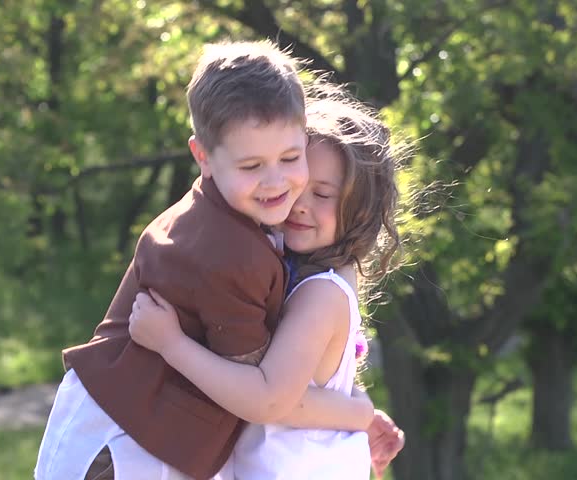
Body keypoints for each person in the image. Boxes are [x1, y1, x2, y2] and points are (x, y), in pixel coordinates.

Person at [34, 40, 388, 480]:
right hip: (126, 443)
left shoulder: (245, 221)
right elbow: (270, 396)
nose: (279, 185)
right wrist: (360, 412)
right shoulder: (235, 252)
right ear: (203, 157)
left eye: (291, 159)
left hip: (134, 431)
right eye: (252, 165)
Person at [129, 88, 407, 479]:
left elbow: (274, 400)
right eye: (297, 183)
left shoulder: (321, 294)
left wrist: (170, 343)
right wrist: (359, 411)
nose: (300, 203)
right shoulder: (298, 273)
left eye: (323, 194)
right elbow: (317, 392)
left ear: (360, 211)